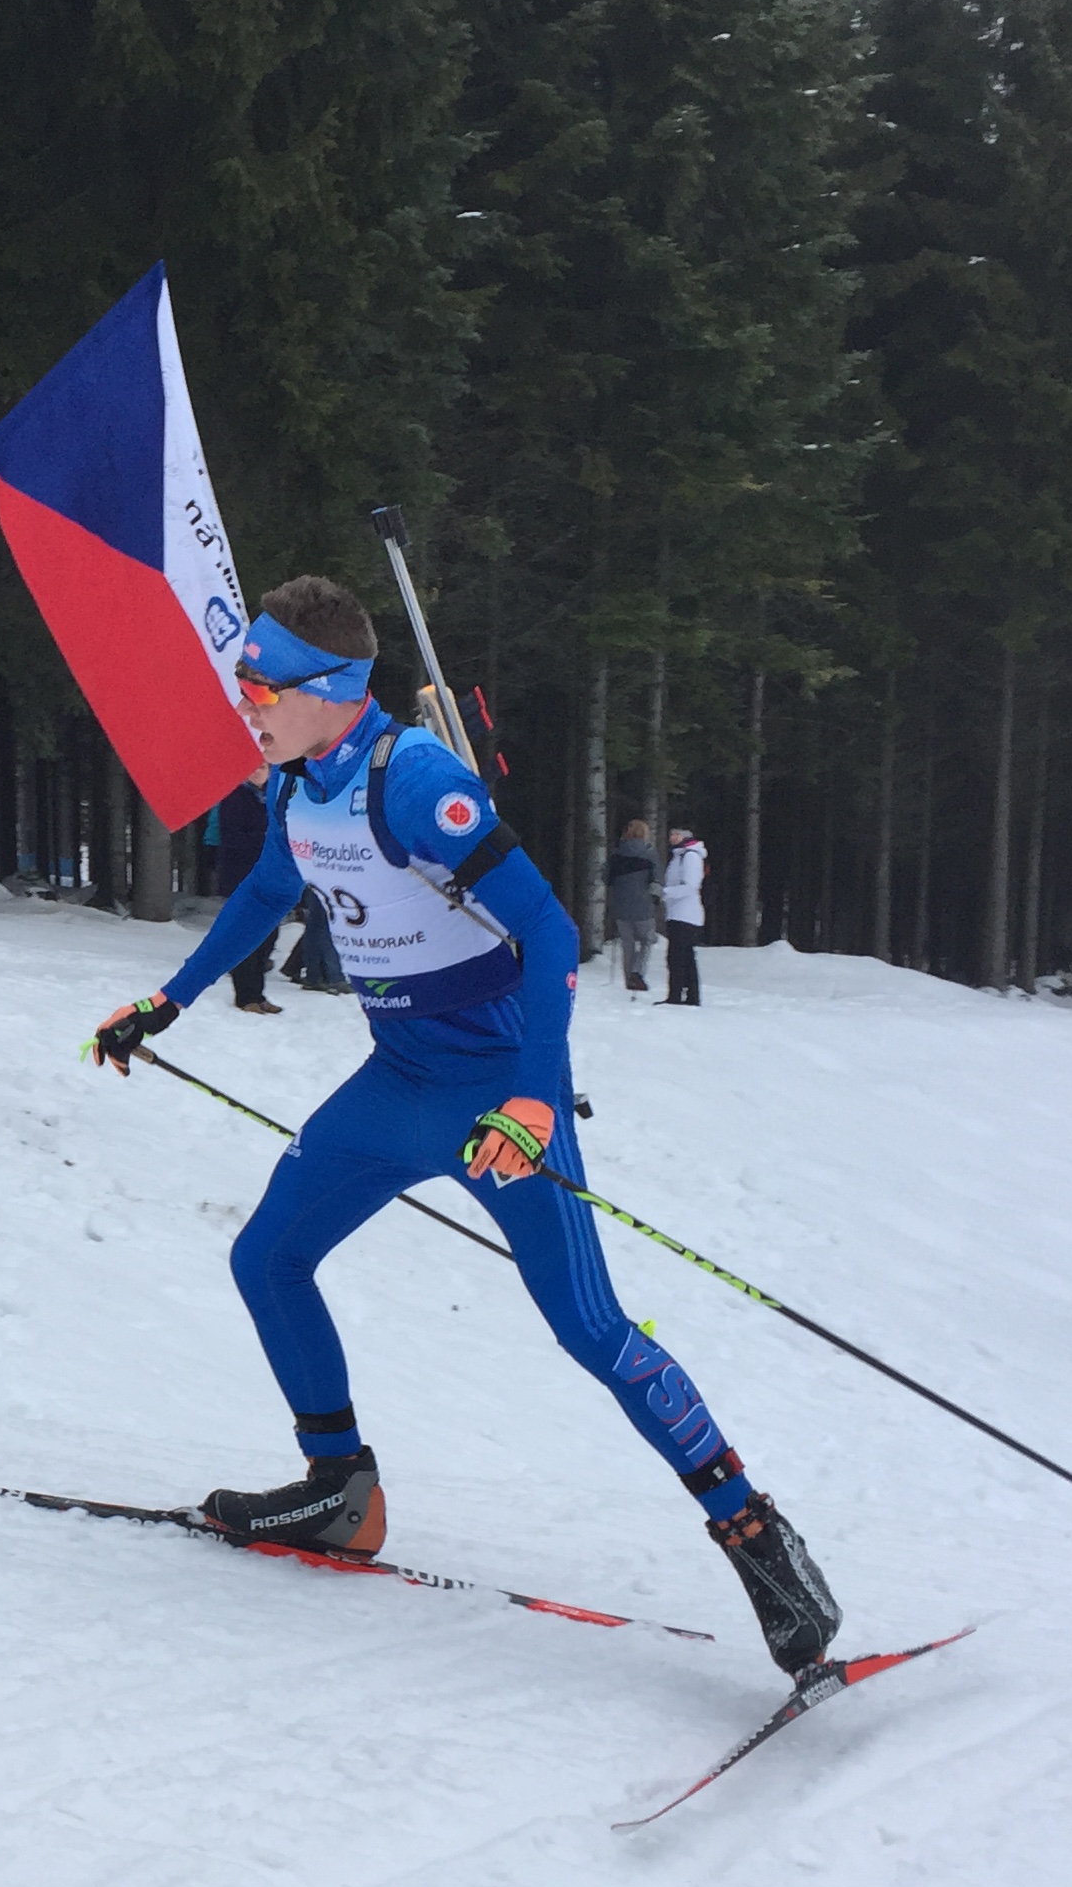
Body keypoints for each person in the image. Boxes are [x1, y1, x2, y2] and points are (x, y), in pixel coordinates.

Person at [82, 575, 841, 1680]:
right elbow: (260, 896)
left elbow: (547, 932)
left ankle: (757, 1538)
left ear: (334, 687)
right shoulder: (299, 785)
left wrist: (535, 1098)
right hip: (396, 1082)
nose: (243, 699)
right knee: (268, 1256)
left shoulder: (415, 781)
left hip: (495, 1094)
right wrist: (169, 1001)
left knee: (591, 1330)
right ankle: (341, 1489)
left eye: (259, 683)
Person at [210, 776, 282, 1012]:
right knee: (246, 936)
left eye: (264, 767)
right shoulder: (235, 795)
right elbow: (231, 837)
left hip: (270, 874)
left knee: (269, 935)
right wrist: (265, 838)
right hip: (241, 875)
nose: (259, 772)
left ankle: (258, 993)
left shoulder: (274, 794)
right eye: (255, 767)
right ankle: (245, 995)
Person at [607, 816, 659, 993]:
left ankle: (629, 979)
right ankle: (637, 973)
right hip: (643, 905)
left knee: (627, 943)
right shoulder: (649, 853)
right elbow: (656, 880)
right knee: (647, 939)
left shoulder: (616, 854)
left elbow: (606, 878)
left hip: (621, 905)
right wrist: (656, 899)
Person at [660, 823, 706, 1005]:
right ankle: (688, 995)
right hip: (677, 914)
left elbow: (690, 885)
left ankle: (678, 995)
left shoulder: (691, 857)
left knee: (678, 956)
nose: (672, 838)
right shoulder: (679, 856)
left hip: (686, 915)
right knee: (683, 956)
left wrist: (666, 892)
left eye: (677, 835)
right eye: (671, 834)